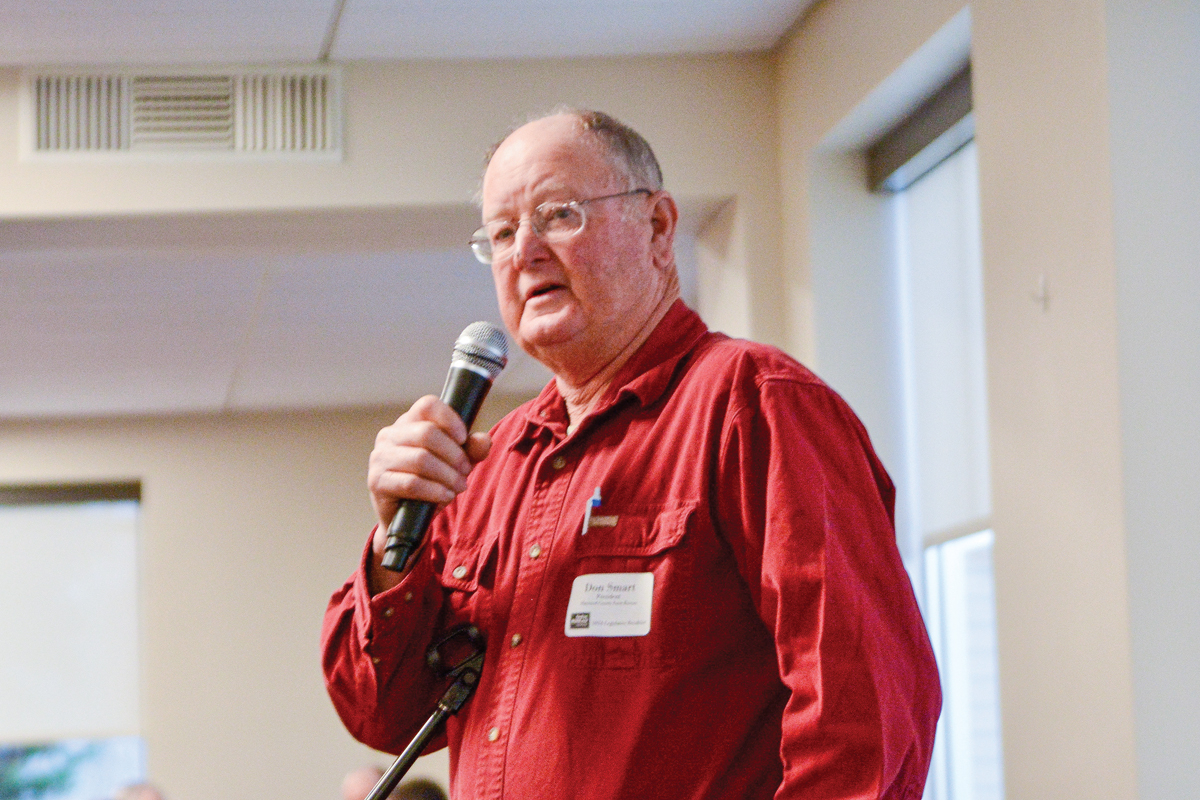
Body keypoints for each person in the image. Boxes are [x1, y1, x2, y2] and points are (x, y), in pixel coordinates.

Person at [322, 108, 941, 799]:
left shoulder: (756, 405)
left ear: (658, 228)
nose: (524, 250)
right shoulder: (492, 464)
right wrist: (390, 546)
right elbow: (380, 712)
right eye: (500, 233)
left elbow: (862, 713)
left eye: (558, 214)